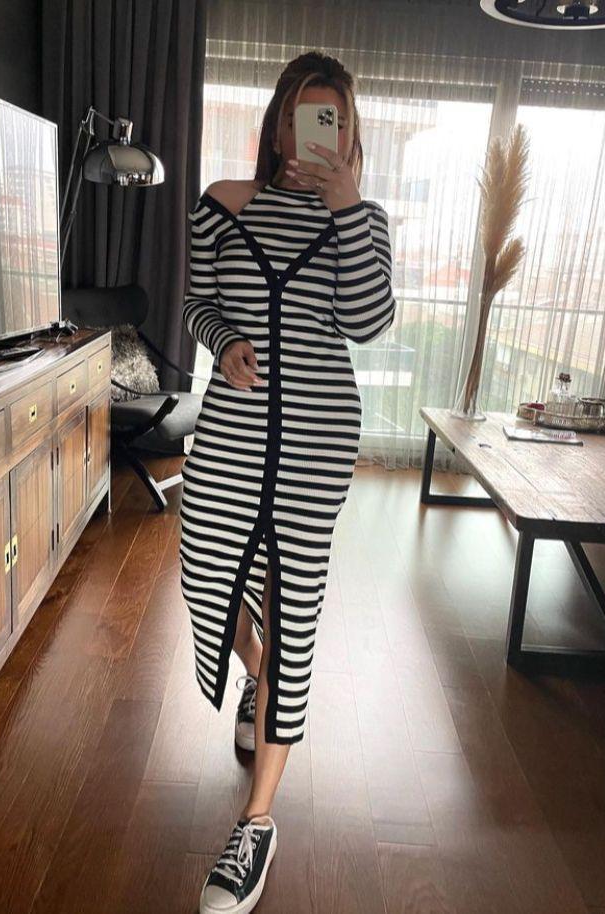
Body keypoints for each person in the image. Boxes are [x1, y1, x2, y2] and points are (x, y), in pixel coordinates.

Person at [179, 50, 396, 914]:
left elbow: (369, 321)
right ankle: (261, 674)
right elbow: (196, 305)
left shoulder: (363, 220)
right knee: (206, 577)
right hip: (231, 431)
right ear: (278, 128)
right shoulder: (221, 203)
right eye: (305, 116)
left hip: (315, 441)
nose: (317, 134)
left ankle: (257, 821)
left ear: (348, 135)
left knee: (292, 605)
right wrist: (224, 341)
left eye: (333, 120)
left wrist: (346, 207)